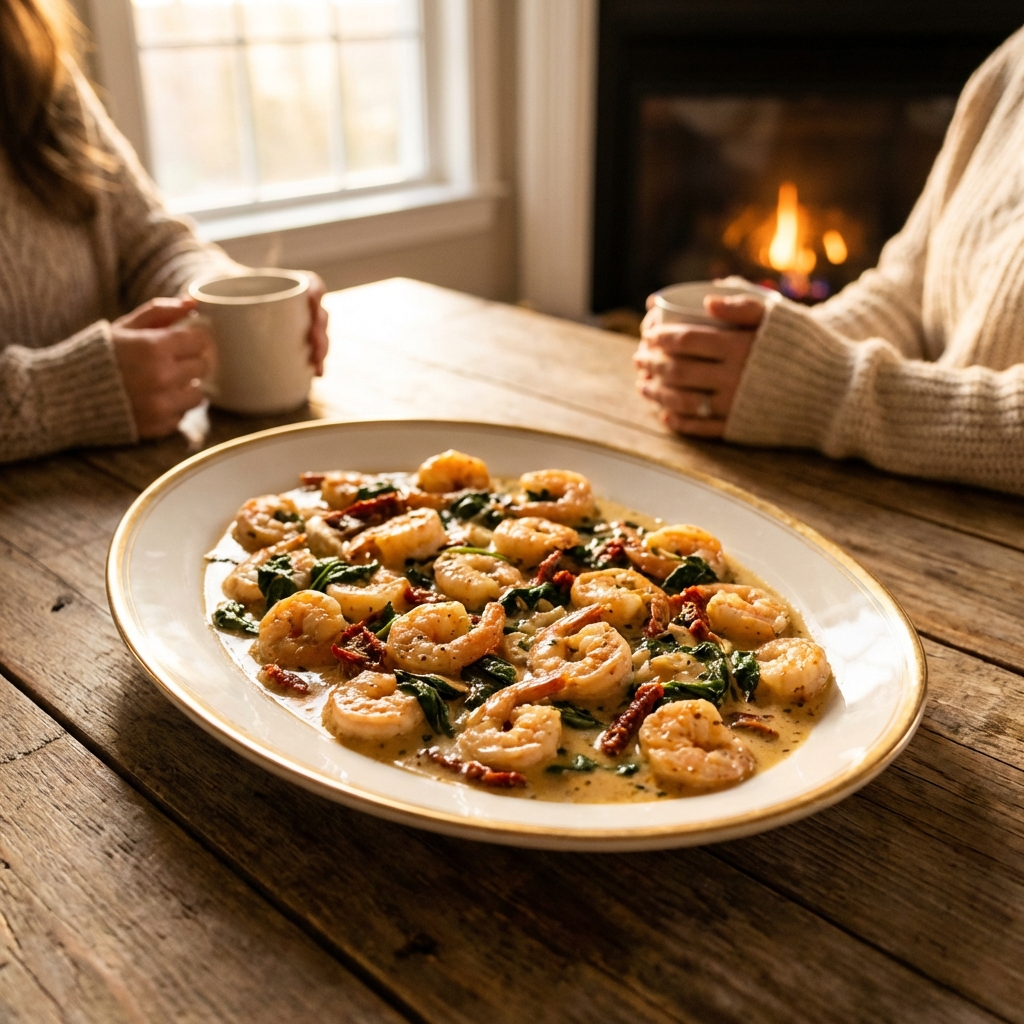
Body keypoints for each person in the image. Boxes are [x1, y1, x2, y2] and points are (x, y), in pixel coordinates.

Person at [634, 26, 1024, 496]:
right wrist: (772, 356)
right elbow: (906, 286)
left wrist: (829, 394)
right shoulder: (1012, 63)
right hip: (905, 490)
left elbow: (834, 392)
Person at [0, 0, 329, 463]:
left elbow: (153, 245)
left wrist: (228, 299)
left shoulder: (27, 51)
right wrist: (57, 398)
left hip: (125, 471)